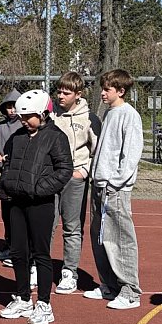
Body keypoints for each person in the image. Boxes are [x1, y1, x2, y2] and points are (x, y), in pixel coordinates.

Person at [0, 89, 72, 324]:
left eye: (29, 116)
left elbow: (64, 170)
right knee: (18, 252)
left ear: (43, 113)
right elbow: (7, 165)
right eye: (21, 116)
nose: (24, 120)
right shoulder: (17, 136)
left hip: (41, 204)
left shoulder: (56, 137)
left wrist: (39, 189)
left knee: (41, 253)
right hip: (16, 202)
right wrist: (5, 184)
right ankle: (23, 297)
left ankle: (44, 304)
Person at [83, 69, 144, 310]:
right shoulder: (109, 113)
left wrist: (115, 182)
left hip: (115, 189)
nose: (103, 92)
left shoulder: (129, 115)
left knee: (120, 238)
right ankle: (109, 285)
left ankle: (130, 291)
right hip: (99, 185)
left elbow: (130, 154)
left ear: (121, 90)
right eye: (103, 88)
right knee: (99, 236)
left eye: (107, 89)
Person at [51, 72, 100, 294]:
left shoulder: (89, 118)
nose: (61, 95)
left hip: (75, 179)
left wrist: (83, 171)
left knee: (72, 228)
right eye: (59, 91)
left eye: (66, 92)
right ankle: (37, 266)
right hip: (51, 179)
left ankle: (69, 272)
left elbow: (97, 151)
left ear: (78, 94)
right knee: (46, 225)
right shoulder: (50, 114)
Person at [0, 88, 22, 267]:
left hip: (19, 174)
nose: (12, 110)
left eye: (15, 106)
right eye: (8, 107)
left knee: (17, 214)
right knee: (6, 213)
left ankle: (17, 250)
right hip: (4, 175)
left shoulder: (23, 125)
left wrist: (10, 158)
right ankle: (9, 245)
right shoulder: (1, 126)